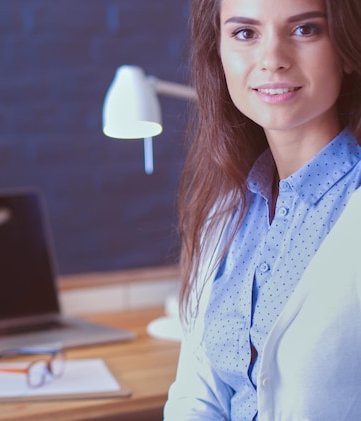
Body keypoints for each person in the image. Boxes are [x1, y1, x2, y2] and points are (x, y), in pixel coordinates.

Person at [164, 0, 361, 419]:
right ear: (217, 52)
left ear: (346, 49)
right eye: (245, 33)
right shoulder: (226, 212)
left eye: (305, 30)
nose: (272, 60)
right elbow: (197, 394)